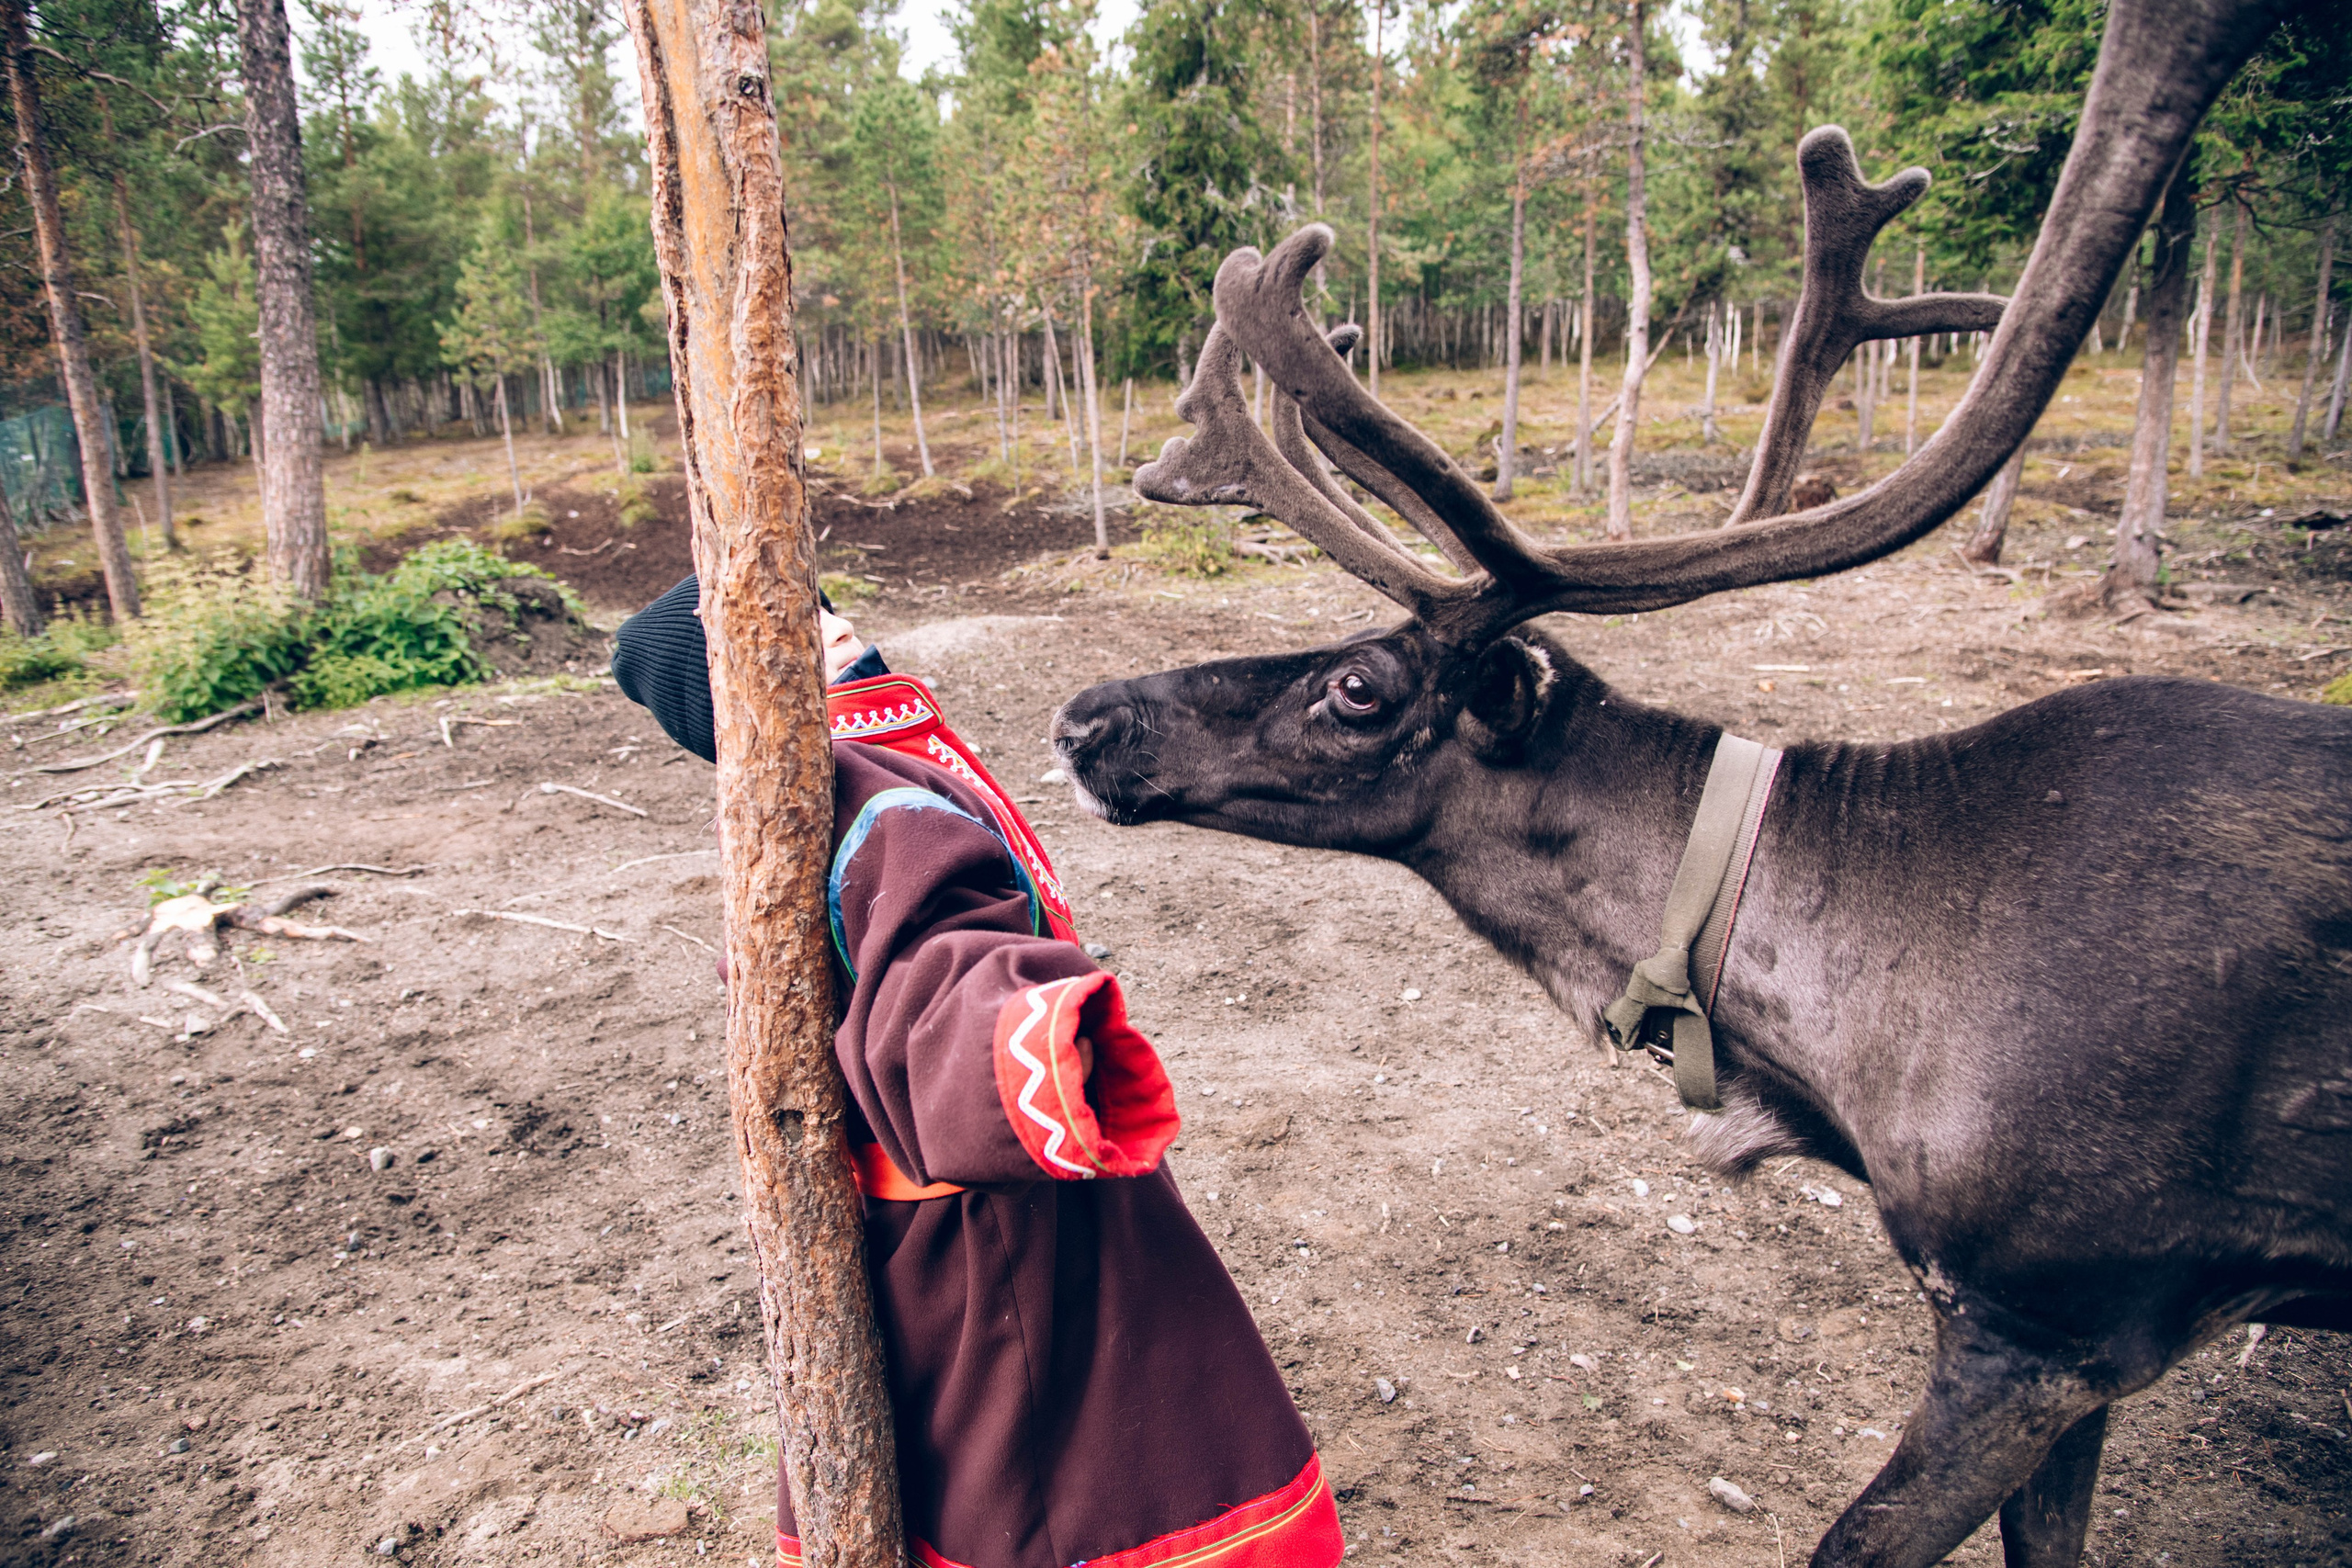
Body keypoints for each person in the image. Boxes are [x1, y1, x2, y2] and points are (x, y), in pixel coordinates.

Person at [612, 574, 1344, 1568]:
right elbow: (929, 960)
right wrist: (1021, 1041)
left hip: (992, 1174)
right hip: (990, 1208)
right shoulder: (862, 796)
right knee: (1056, 1467)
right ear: (733, 687)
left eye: (821, 605)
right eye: (794, 624)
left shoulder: (868, 771)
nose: (835, 626)